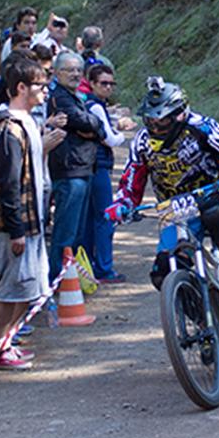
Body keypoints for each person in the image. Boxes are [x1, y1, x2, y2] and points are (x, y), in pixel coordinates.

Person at [108, 77, 219, 297]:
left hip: (215, 191)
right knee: (162, 273)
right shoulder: (142, 142)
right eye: (150, 121)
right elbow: (131, 179)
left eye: (161, 121)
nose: (154, 126)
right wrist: (121, 204)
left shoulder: (201, 127)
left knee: (214, 214)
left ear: (179, 115)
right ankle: (198, 323)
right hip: (175, 207)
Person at [0, 57, 52, 370]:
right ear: (21, 88)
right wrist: (16, 230)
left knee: (29, 287)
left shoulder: (28, 123)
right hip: (15, 225)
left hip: (33, 221)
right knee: (10, 288)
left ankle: (7, 341)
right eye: (39, 85)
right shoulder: (8, 129)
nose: (45, 90)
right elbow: (8, 184)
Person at [46, 51, 103, 282]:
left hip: (83, 168)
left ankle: (70, 280)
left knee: (77, 231)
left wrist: (93, 126)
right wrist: (91, 125)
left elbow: (96, 125)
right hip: (69, 171)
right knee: (65, 232)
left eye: (78, 70)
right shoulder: (59, 97)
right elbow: (84, 121)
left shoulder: (75, 97)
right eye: (69, 70)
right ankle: (56, 280)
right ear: (57, 72)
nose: (75, 74)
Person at [82, 64, 134, 283]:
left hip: (91, 165)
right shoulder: (94, 107)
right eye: (103, 83)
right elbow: (109, 139)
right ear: (92, 84)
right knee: (104, 216)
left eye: (111, 83)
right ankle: (104, 268)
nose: (108, 87)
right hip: (98, 165)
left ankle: (89, 265)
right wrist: (123, 133)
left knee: (89, 218)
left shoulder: (93, 105)